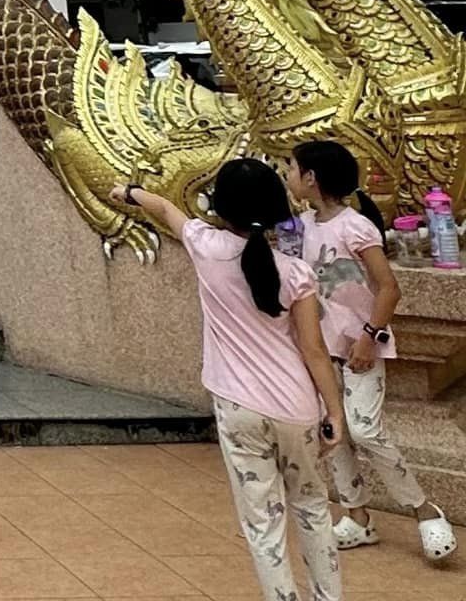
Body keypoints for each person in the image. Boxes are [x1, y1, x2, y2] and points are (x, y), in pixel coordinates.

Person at [113, 159, 347, 601]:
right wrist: (334, 411)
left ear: (220, 206)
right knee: (313, 506)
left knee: (263, 522)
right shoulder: (295, 273)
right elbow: (314, 351)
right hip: (296, 407)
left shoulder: (205, 246)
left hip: (238, 409)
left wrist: (128, 193)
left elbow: (164, 208)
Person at [289, 140, 456, 561]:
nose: (288, 175)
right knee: (333, 430)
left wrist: (369, 337)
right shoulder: (301, 226)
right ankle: (357, 517)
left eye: (291, 168)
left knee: (364, 429)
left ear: (311, 177)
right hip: (320, 349)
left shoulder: (356, 227)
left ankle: (424, 509)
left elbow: (388, 288)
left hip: (361, 347)